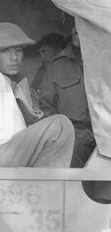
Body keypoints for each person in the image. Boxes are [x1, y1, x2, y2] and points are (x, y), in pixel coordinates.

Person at [0, 22, 74, 168]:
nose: (14, 57)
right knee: (61, 125)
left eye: (18, 50)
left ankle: (41, 186)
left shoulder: (16, 82)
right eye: (5, 51)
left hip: (10, 152)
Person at [39, 25, 96, 168]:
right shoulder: (57, 65)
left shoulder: (106, 61)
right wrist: (70, 133)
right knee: (70, 185)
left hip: (105, 136)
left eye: (83, 24)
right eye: (74, 25)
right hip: (72, 137)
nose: (75, 31)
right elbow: (46, 109)